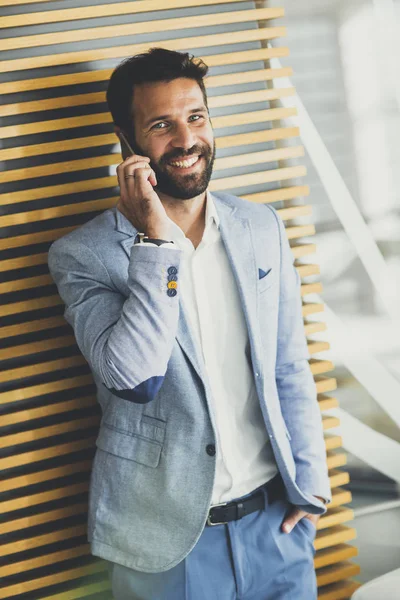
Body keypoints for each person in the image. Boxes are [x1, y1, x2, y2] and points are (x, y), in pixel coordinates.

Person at [48, 47, 331, 600]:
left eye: (195, 117)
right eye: (161, 125)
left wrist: (311, 486)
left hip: (278, 526)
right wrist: (157, 242)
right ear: (127, 144)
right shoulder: (82, 255)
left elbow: (288, 365)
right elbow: (135, 379)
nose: (185, 140)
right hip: (165, 547)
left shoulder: (259, 226)